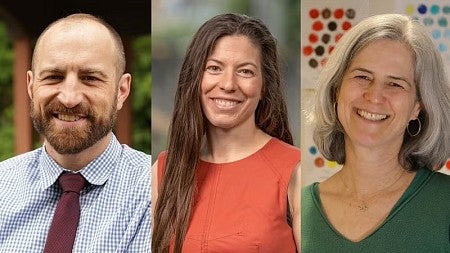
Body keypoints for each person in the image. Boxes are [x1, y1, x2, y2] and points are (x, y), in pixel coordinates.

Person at [0, 13, 151, 252]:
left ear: (121, 90)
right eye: (53, 77)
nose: (69, 98)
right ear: (31, 86)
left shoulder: (156, 193)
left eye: (90, 78)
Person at [151, 13, 301, 252]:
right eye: (214, 68)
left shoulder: (295, 169)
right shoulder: (164, 171)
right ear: (195, 79)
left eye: (245, 71)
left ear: (264, 86)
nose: (228, 84)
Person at [302, 13, 450, 252]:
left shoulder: (445, 204)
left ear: (417, 107)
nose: (374, 96)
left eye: (395, 84)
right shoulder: (300, 207)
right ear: (336, 89)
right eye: (362, 76)